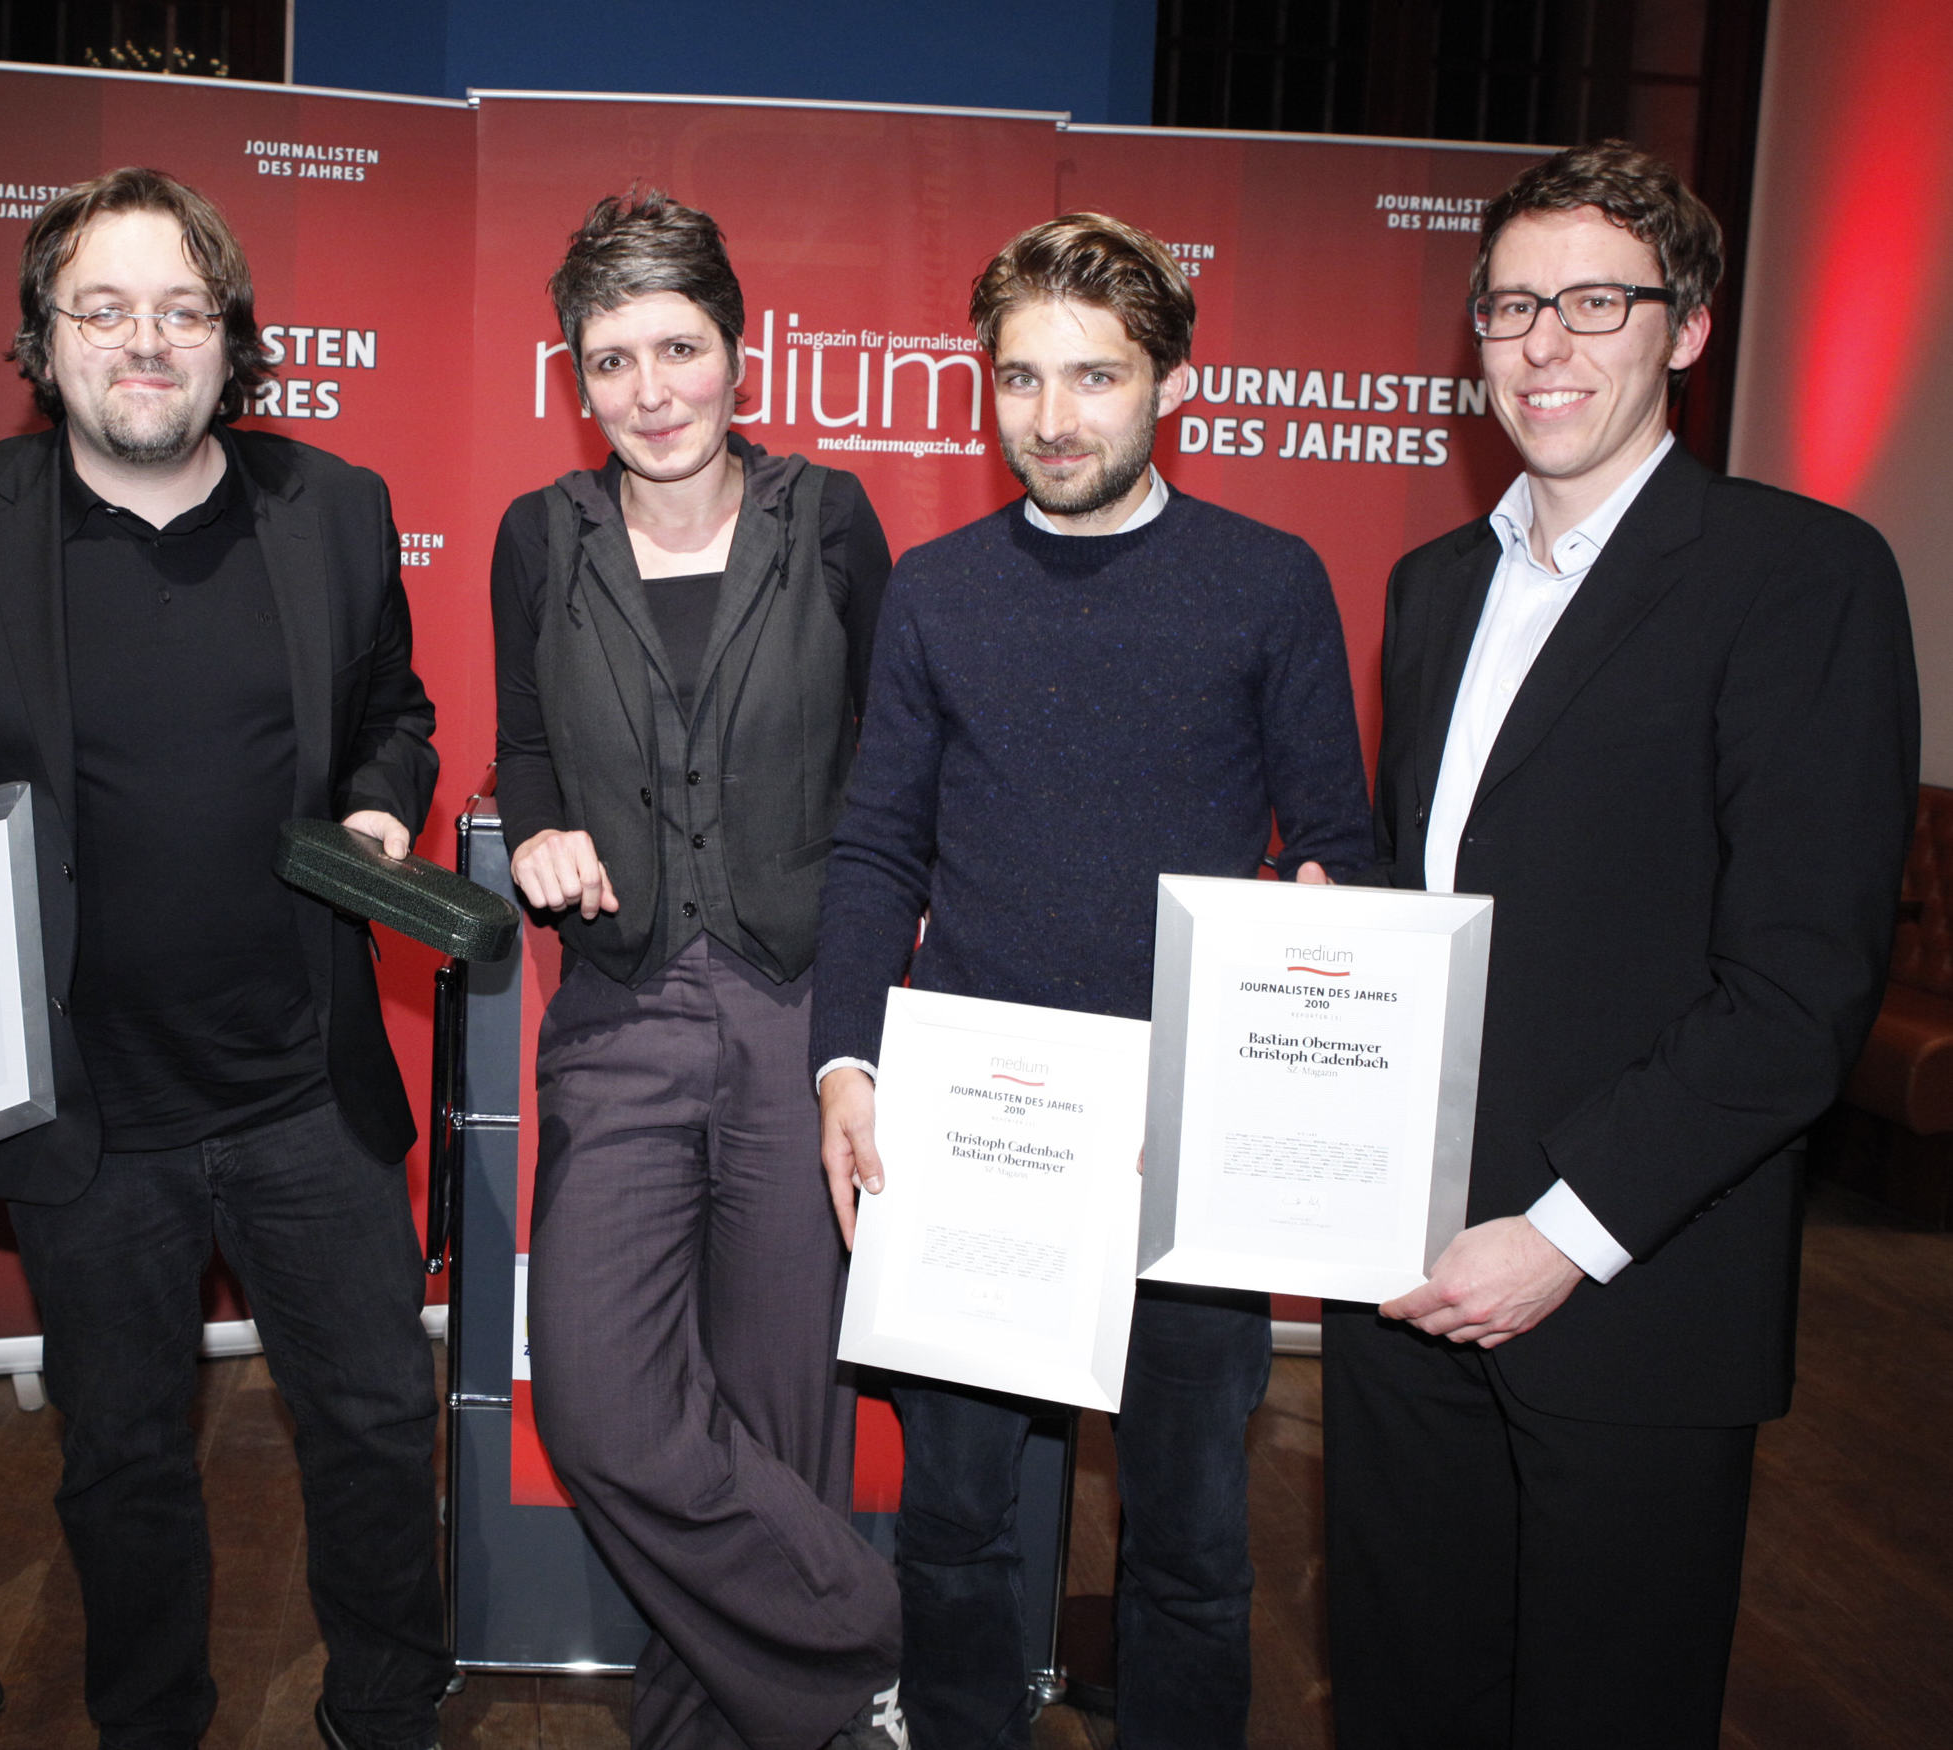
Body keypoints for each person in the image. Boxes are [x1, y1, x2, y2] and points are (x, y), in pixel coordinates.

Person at [0, 167, 450, 1750]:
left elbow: (392, 717)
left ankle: (389, 1713)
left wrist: (382, 809)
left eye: (182, 309)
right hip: (82, 1115)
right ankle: (152, 1726)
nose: (146, 341)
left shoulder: (330, 505)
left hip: (300, 1096)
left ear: (230, 339)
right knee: (122, 1460)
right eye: (105, 310)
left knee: (381, 1427)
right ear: (43, 342)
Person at [1319, 140, 1918, 1748]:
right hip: (1409, 1283)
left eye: (1597, 300)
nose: (1546, 345)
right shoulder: (1433, 584)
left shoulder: (1804, 581)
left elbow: (1796, 993)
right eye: (1513, 305)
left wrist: (1562, 1232)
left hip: (1632, 1294)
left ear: (1691, 326)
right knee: (1403, 1695)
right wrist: (1329, 940)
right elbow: (1453, 889)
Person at [813, 213, 1377, 1749]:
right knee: (953, 1532)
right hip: (974, 1133)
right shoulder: (936, 589)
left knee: (1190, 1547)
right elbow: (878, 850)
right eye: (1019, 379)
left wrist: (1245, 1066)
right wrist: (845, 1065)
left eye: (1096, 377)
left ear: (1171, 379)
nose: (1052, 420)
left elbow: (1338, 852)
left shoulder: (1268, 583)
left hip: (1180, 1150)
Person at [490, 189, 905, 1750]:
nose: (651, 388)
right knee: (598, 1393)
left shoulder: (834, 517)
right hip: (623, 1011)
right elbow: (529, 746)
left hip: (808, 1013)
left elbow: (895, 757)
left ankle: (720, 1731)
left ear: (743, 350)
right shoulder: (544, 537)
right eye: (613, 359)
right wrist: (535, 831)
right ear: (576, 378)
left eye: (681, 345)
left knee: (779, 1413)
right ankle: (866, 1636)